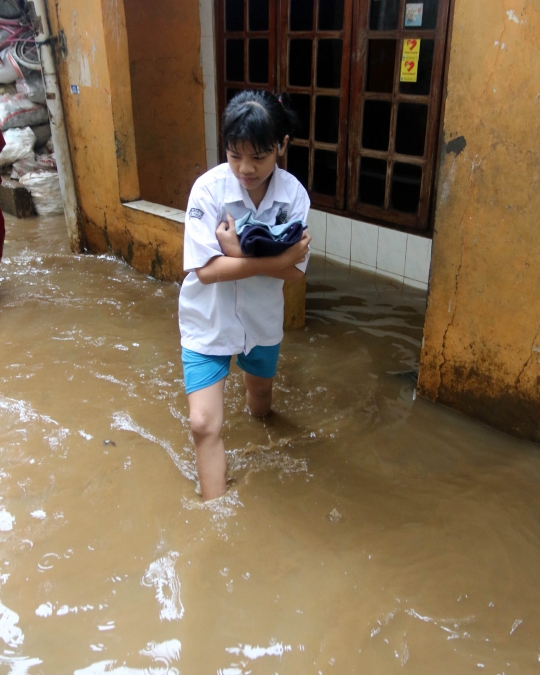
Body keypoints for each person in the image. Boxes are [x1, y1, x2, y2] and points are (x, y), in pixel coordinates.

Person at [179, 90, 312, 501]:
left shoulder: (293, 197)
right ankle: (214, 513)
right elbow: (205, 271)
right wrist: (261, 259)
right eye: (235, 155)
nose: (246, 168)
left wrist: (235, 252)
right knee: (203, 424)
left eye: (259, 156)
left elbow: (294, 272)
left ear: (282, 146)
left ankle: (263, 423)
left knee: (260, 400)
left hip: (261, 320)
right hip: (207, 320)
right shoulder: (207, 191)